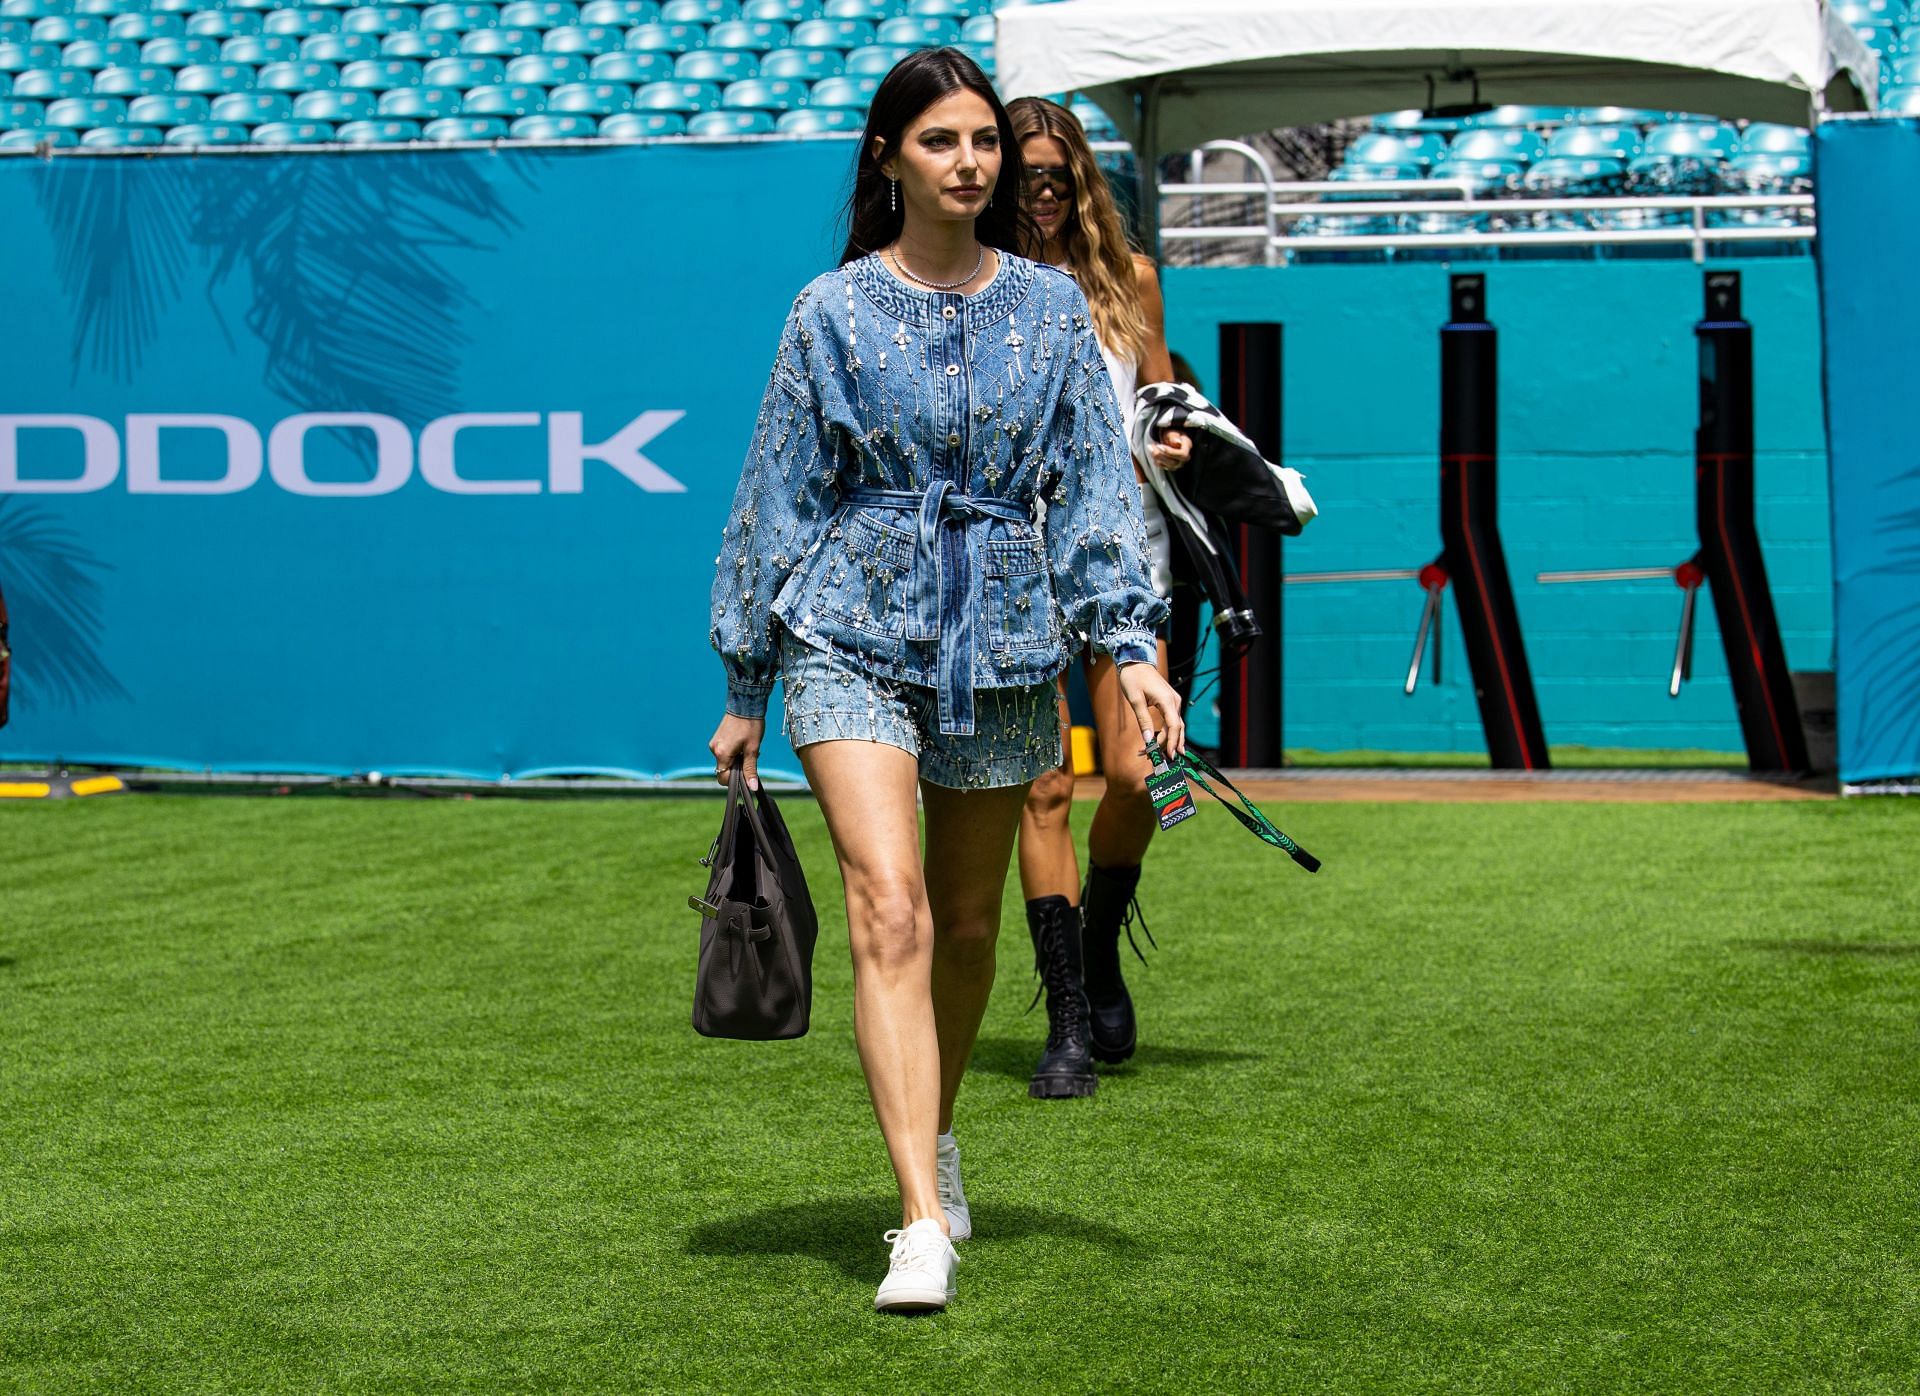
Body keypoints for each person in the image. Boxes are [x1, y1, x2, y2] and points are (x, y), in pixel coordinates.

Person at [706, 49, 1185, 1314]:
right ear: (889, 159)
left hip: (1008, 644)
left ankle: (939, 1128)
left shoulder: (1051, 312)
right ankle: (918, 1219)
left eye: (985, 141)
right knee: (890, 908)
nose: (972, 162)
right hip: (847, 631)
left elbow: (1092, 494)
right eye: (941, 142)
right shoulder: (829, 312)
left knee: (970, 929)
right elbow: (776, 500)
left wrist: (1128, 645)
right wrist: (749, 676)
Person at [1006, 96, 1193, 1101]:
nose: (1039, 189)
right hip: (1015, 564)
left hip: (1126, 556)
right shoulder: (979, 284)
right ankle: (1068, 1016)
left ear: (1078, 174)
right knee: (1042, 789)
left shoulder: (1130, 281)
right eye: (1023, 171)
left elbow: (1163, 396)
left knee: (1136, 774)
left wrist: (1171, 433)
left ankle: (1101, 939)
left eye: (1053, 170)